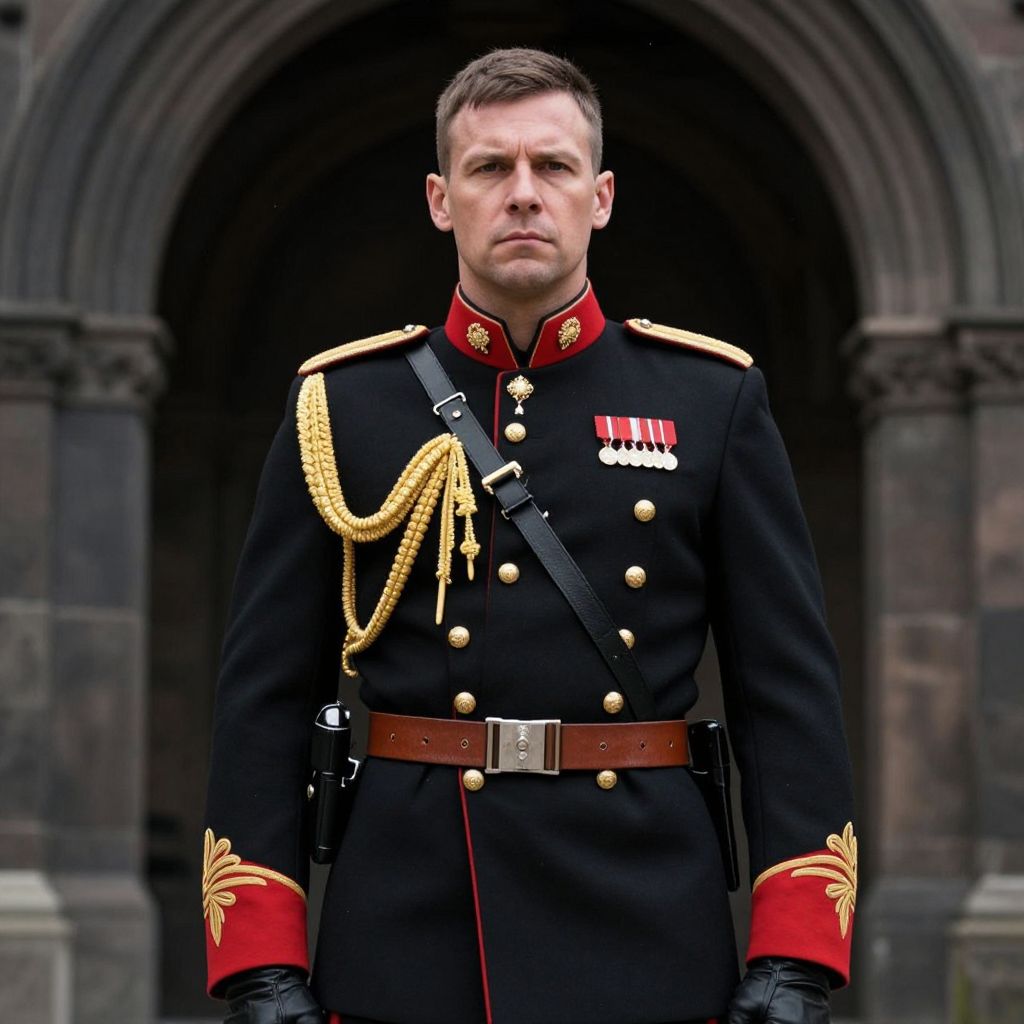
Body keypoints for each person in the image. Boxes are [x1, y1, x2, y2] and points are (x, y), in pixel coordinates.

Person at [202, 47, 856, 1024]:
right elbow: (265, 698)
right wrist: (260, 959)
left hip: (644, 927)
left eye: (552, 165)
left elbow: (786, 692)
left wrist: (796, 953)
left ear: (600, 197)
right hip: (408, 935)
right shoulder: (340, 407)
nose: (522, 193)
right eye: (488, 167)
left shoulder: (709, 399)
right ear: (440, 199)